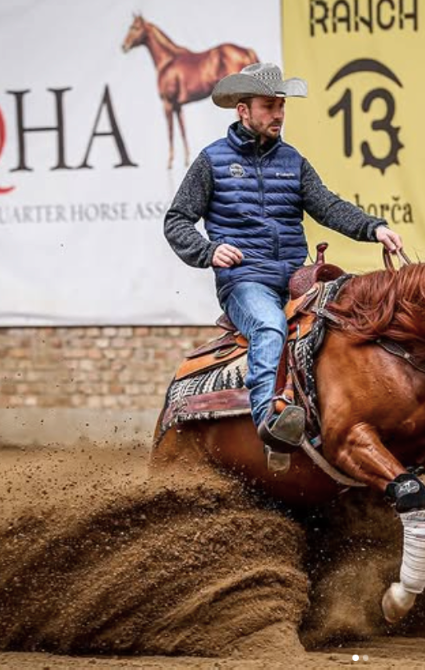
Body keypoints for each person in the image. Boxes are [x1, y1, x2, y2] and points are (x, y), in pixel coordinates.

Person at [163, 62, 403, 451]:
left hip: (297, 278)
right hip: (245, 280)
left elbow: (327, 205)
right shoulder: (211, 161)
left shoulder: (293, 161)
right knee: (270, 325)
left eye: (282, 106)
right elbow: (177, 221)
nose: (278, 115)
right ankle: (270, 421)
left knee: (357, 316)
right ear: (243, 110)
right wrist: (208, 252)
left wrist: (373, 228)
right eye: (268, 106)